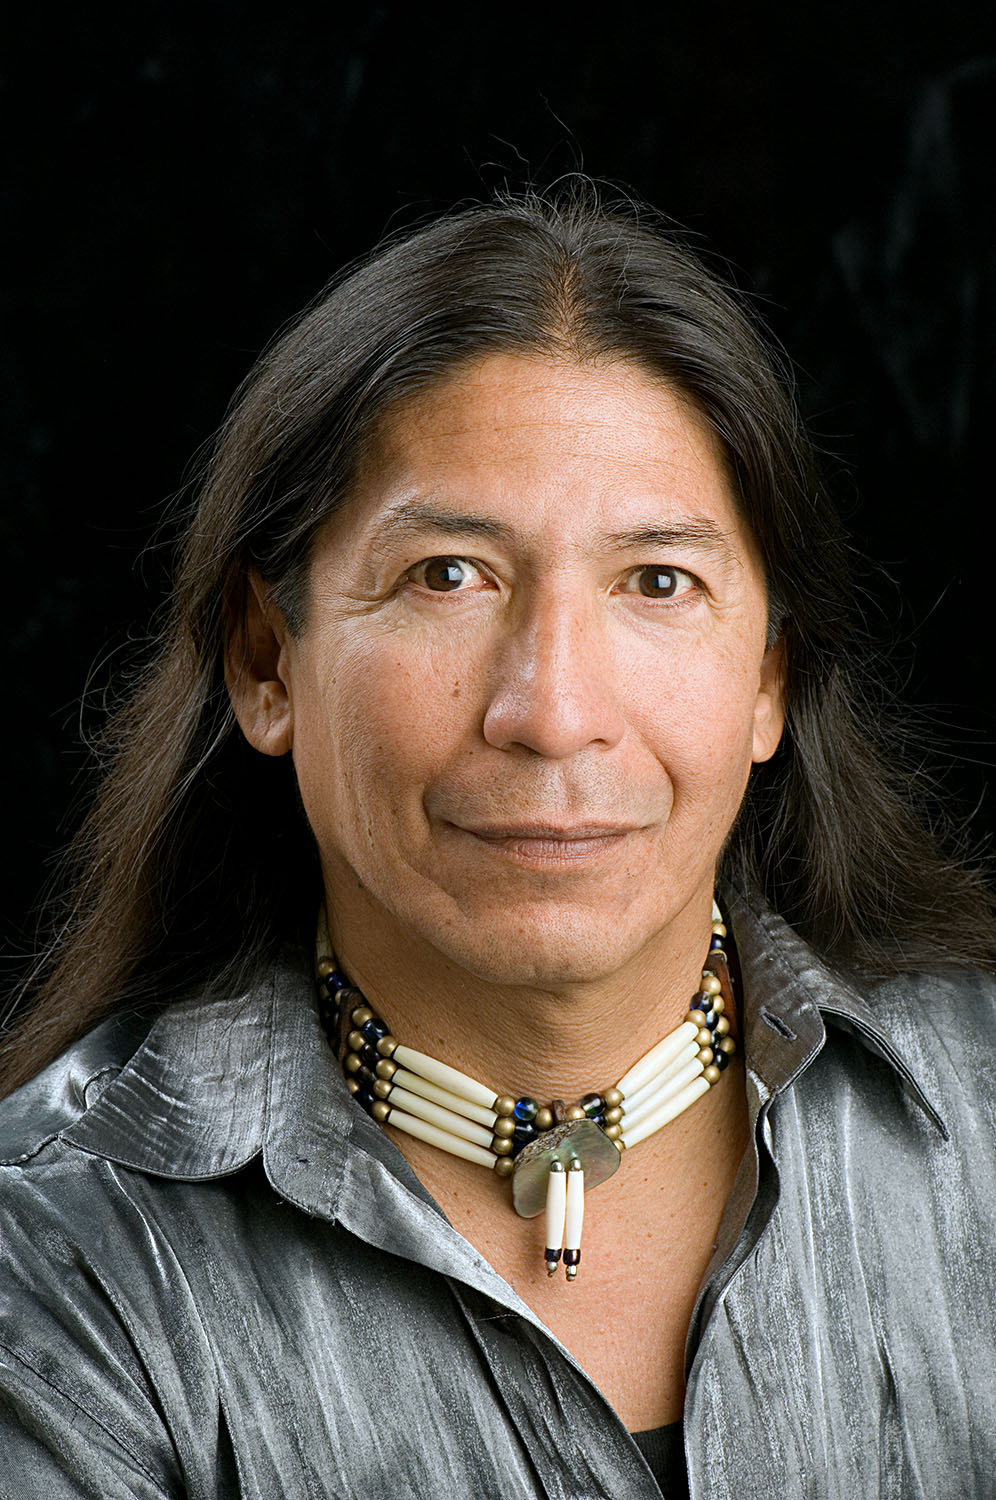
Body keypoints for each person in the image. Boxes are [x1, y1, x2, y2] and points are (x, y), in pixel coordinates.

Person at [1, 186, 994, 1500]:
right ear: (265, 661)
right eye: (448, 576)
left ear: (770, 676)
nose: (553, 712)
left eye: (657, 582)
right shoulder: (53, 1259)